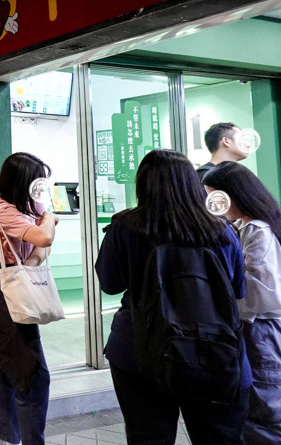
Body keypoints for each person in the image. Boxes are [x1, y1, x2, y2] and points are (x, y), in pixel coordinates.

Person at [96, 149, 250, 444]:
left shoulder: (125, 226)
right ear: (192, 182)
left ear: (142, 184)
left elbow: (110, 284)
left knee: (148, 438)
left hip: (139, 349)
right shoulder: (222, 230)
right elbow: (237, 291)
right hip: (216, 350)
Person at [0, 152, 56, 445]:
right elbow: (44, 240)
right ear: (22, 182)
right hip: (0, 294)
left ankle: (11, 437)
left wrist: (27, 269)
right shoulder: (3, 210)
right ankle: (28, 441)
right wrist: (50, 218)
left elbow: (40, 253)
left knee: (13, 367)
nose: (40, 188)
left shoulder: (27, 208)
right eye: (36, 181)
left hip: (12, 287)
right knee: (32, 374)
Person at [202, 162, 281, 444]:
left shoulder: (257, 230)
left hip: (260, 328)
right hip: (255, 327)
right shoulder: (246, 226)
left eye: (217, 197)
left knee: (265, 405)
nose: (215, 204)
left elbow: (260, 295)